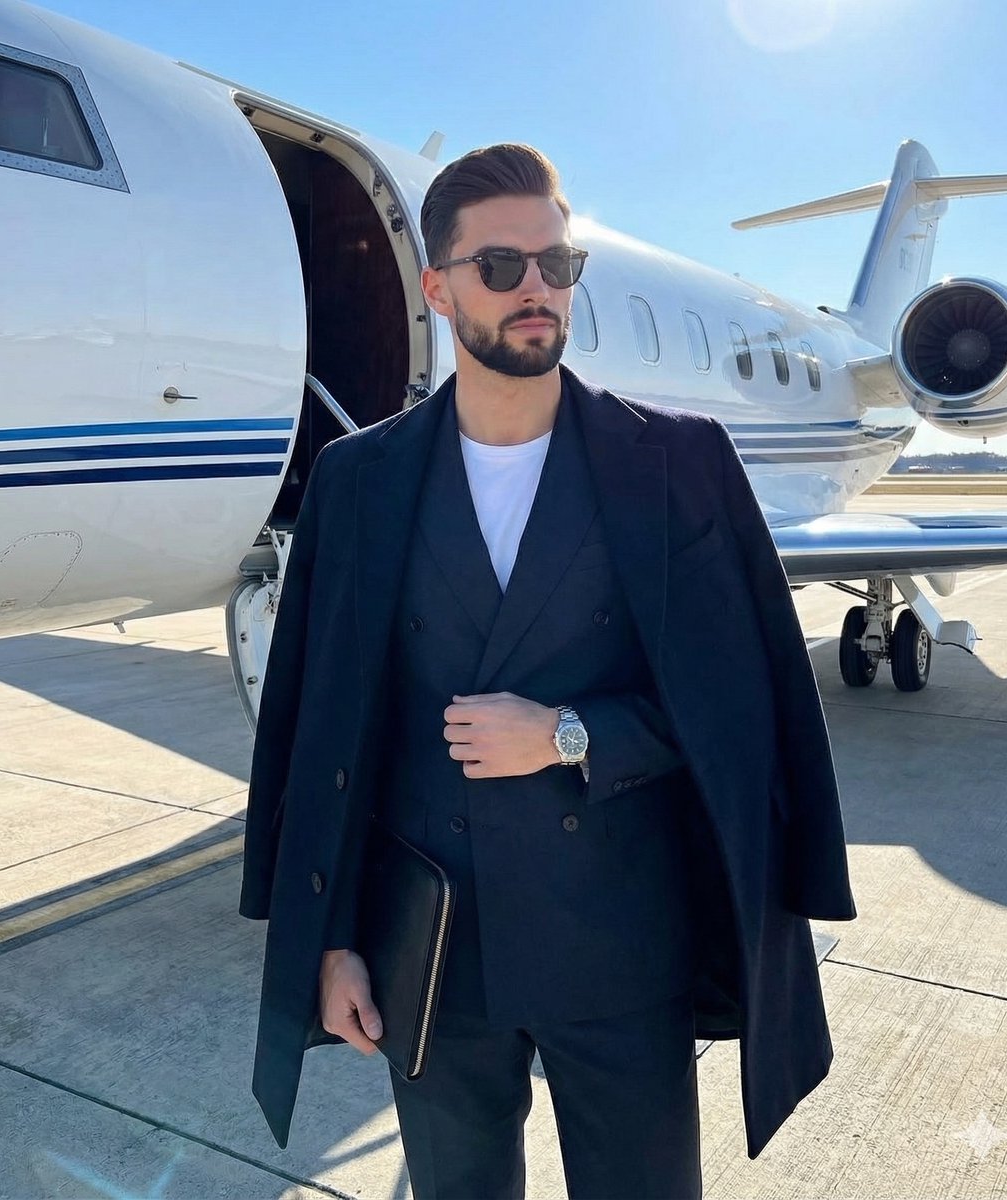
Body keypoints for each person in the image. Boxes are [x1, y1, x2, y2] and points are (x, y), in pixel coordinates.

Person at [241, 143, 856, 1199]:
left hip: (621, 946)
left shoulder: (679, 463)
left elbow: (739, 702)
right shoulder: (357, 480)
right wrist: (330, 942)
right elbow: (321, 726)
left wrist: (572, 733)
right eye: (499, 267)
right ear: (438, 288)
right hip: (433, 953)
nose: (536, 289)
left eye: (556, 265)